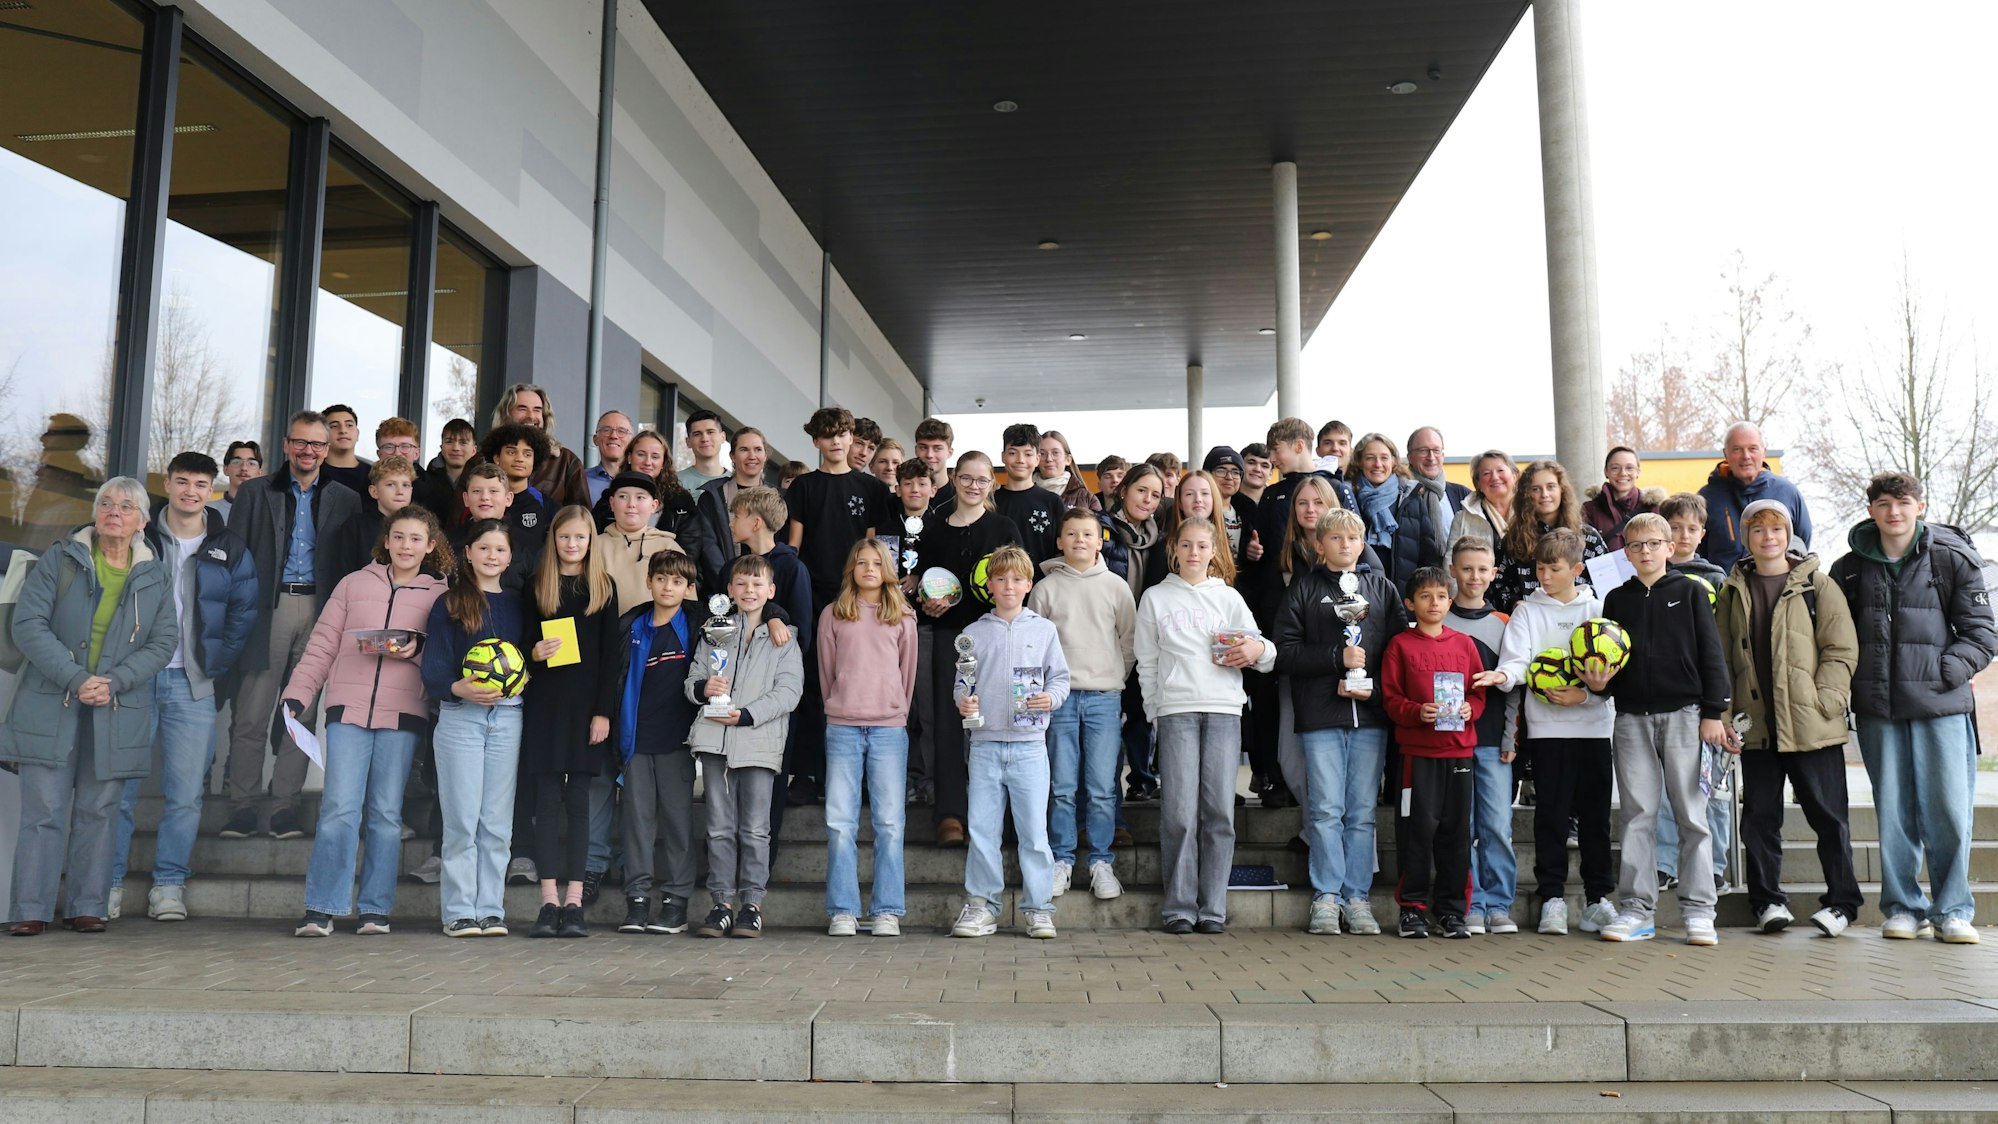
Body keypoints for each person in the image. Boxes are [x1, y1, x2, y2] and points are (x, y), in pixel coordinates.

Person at [4, 477, 179, 936]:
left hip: (117, 707)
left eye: (125, 506)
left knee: (99, 811)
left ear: (142, 521)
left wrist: (114, 681)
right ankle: (29, 909)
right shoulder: (59, 559)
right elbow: (28, 625)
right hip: (52, 700)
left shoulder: (156, 573)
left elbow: (163, 643)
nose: (113, 512)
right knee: (44, 810)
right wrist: (77, 678)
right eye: (105, 503)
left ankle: (88, 905)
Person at [1829, 471, 1995, 944]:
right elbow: (1835, 638)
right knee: (1894, 811)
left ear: (1920, 507)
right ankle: (1903, 907)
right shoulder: (1850, 568)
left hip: (1941, 707)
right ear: (1871, 511)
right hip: (1880, 709)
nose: (1894, 511)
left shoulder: (1952, 558)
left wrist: (1944, 672)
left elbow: (1983, 633)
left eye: (1903, 502)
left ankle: (1953, 910)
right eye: (1883, 503)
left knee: (1948, 810)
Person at [107, 453, 259, 923]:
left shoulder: (228, 545)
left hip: (192, 684)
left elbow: (243, 612)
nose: (191, 491)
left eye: (200, 484)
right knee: (117, 789)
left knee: (186, 794)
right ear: (167, 484)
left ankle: (168, 886)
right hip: (133, 679)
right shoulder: (139, 536)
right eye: (181, 482)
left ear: (212, 489)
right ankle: (106, 884)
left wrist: (214, 664)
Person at [286, 506, 451, 937]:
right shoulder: (353, 584)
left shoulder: (440, 593)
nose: (406, 546)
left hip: (403, 713)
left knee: (385, 814)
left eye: (416, 539)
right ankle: (321, 907)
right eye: (399, 537)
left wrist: (412, 648)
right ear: (386, 541)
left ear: (430, 546)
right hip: (347, 709)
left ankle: (375, 909)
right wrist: (297, 694)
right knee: (338, 809)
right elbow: (321, 645)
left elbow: (445, 654)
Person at [1716, 499, 1862, 937]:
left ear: (1789, 534)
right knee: (1760, 818)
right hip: (1756, 727)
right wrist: (1724, 715)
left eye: (1776, 529)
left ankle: (1842, 903)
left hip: (1812, 725)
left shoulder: (1818, 585)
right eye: (1758, 530)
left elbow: (1841, 648)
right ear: (1746, 537)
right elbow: (1720, 661)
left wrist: (1828, 699)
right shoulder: (1731, 591)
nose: (1768, 537)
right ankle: (1767, 902)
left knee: (1829, 817)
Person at [1586, 512, 1731, 946]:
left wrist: (1713, 713)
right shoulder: (1616, 599)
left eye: (1653, 544)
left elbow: (1712, 656)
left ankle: (1700, 912)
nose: (1645, 552)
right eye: (1635, 546)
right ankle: (1636, 911)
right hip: (1631, 719)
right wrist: (1598, 686)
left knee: (1691, 815)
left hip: (1688, 717)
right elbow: (1608, 666)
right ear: (1625, 553)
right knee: (1636, 816)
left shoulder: (1690, 592)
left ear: (1671, 548)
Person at [223, 410, 363, 841]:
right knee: (251, 712)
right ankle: (242, 805)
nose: (309, 451)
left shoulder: (345, 498)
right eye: (300, 442)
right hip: (269, 607)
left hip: (321, 612)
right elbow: (235, 556)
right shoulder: (255, 492)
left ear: (327, 449)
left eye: (317, 444)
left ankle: (284, 804)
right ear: (286, 445)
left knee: (300, 715)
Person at [1275, 508, 1407, 937]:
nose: (1345, 545)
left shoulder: (1381, 587)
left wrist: (1379, 691)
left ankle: (1357, 897)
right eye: (1335, 539)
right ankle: (1327, 897)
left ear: (1363, 541)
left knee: (1363, 812)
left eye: (1353, 538)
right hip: (1320, 716)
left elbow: (1399, 651)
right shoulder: (1305, 587)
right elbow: (1284, 650)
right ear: (1319, 545)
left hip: (1370, 715)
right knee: (1327, 809)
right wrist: (1337, 658)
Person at [1137, 517, 1272, 935]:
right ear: (1174, 549)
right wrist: (1153, 710)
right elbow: (1147, 662)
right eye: (1186, 545)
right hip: (1176, 709)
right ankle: (1179, 907)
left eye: (1202, 545)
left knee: (1218, 812)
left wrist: (1255, 649)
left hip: (1224, 710)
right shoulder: (1156, 598)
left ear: (1214, 551)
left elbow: (1263, 653)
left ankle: (1212, 909)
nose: (1194, 553)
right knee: (1178, 812)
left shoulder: (1228, 598)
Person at [1492, 528, 1618, 936]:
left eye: (1554, 568)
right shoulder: (1528, 611)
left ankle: (1599, 899)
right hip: (1546, 732)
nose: (1544, 576)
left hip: (1595, 728)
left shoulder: (1598, 610)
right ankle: (1552, 899)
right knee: (1550, 816)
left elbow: (1613, 673)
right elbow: (1517, 661)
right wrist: (1502, 675)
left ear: (1577, 569)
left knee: (1596, 819)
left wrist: (1585, 697)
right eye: (1539, 568)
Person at [950, 544, 1070, 940]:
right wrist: (963, 701)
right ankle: (982, 906)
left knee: (1034, 832)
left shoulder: (1044, 629)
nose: (1008, 585)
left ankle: (1038, 909)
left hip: (1030, 746)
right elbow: (962, 683)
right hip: (983, 745)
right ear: (989, 584)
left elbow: (1060, 679)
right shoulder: (973, 633)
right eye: (1000, 579)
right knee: (982, 830)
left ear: (1029, 584)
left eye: (1016, 579)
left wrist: (1049, 699)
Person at [422, 519, 529, 937]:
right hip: (460, 718)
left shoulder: (520, 604)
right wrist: (456, 687)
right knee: (463, 820)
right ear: (468, 553)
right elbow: (433, 667)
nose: (491, 556)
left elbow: (526, 661)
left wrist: (529, 667)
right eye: (483, 548)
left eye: (499, 550)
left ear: (509, 557)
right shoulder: (449, 602)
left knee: (497, 822)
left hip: (508, 716)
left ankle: (491, 909)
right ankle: (458, 911)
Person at [907, 452, 1021, 846]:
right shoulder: (934, 529)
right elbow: (926, 584)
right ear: (954, 479)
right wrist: (930, 602)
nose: (974, 486)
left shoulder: (1004, 527)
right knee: (947, 723)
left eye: (983, 480)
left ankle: (996, 815)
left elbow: (1020, 581)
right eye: (967, 478)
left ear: (992, 483)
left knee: (995, 723)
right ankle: (950, 814)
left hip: (994, 637)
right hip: (947, 637)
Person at [689, 554, 805, 939]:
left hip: (758, 741)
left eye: (757, 585)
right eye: (741, 584)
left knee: (755, 829)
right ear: (729, 591)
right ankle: (721, 904)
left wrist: (748, 715)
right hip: (714, 740)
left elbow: (790, 691)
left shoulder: (783, 638)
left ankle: (751, 905)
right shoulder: (713, 630)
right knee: (719, 828)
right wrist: (704, 690)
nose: (749, 591)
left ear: (770, 591)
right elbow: (694, 676)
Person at [521, 505, 622, 939]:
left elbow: (610, 659)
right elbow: (522, 643)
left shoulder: (602, 587)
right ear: (554, 539)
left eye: (580, 537)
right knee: (546, 802)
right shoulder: (536, 586)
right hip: (545, 706)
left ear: (590, 541)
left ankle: (575, 902)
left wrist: (603, 713)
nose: (572, 544)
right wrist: (533, 655)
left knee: (579, 803)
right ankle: (548, 902)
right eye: (565, 537)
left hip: (586, 710)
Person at [786, 406, 895, 805]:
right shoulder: (802, 487)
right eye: (828, 435)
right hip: (812, 596)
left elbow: (871, 550)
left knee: (857, 678)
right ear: (816, 441)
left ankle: (861, 776)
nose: (836, 441)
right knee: (813, 682)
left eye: (843, 434)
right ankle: (808, 772)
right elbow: (794, 546)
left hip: (856, 597)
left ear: (852, 439)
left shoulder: (872, 490)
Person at [1028, 507, 1137, 902]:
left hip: (1104, 697)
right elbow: (1034, 644)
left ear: (1100, 541)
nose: (1079, 541)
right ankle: (1061, 859)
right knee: (1062, 785)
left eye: (1088, 534)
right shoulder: (1045, 589)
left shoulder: (1116, 587)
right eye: (1071, 534)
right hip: (1058, 700)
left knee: (1102, 785)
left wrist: (1113, 677)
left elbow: (1129, 641)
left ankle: (1101, 862)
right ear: (1059, 541)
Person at [1381, 565, 1488, 939]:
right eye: (1425, 596)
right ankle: (1411, 909)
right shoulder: (1400, 646)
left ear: (1450, 600)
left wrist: (1469, 709)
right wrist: (1416, 711)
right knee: (1416, 833)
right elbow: (1391, 699)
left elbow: (1478, 694)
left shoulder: (1464, 645)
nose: (1434, 602)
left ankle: (1452, 912)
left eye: (1441, 596)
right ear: (1410, 603)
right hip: (1417, 755)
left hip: (1458, 754)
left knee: (1456, 835)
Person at [818, 538, 917, 937]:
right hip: (842, 726)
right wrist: (839, 703)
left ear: (888, 570)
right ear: (852, 569)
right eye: (862, 562)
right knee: (840, 822)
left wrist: (894, 709)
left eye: (878, 563)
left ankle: (887, 910)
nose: (870, 569)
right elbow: (826, 671)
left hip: (889, 728)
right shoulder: (834, 614)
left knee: (890, 823)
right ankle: (843, 909)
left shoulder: (903, 616)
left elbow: (907, 675)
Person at [614, 550, 705, 936]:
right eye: (662, 578)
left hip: (678, 742)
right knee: (636, 823)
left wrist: (776, 615)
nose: (669, 587)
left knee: (678, 823)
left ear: (689, 588)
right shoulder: (629, 624)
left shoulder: (700, 623)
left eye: (678, 581)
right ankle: (637, 899)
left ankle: (675, 902)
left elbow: (756, 607)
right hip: (636, 740)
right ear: (649, 581)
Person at [1655, 491, 1732, 894]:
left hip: (1706, 704)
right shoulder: (1648, 577)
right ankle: (1667, 862)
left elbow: (1723, 645)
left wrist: (1721, 705)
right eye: (1675, 528)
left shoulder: (1717, 579)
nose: (1683, 535)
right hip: (1662, 700)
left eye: (1691, 528)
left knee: (1710, 788)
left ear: (1702, 534)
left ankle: (1714, 866)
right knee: (1668, 788)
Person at [1445, 537, 1518, 935]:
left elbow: (1513, 691)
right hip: (1451, 743)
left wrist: (1510, 740)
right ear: (1453, 570)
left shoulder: (1505, 624)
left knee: (1495, 825)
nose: (1474, 577)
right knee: (1461, 825)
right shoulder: (1438, 619)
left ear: (1493, 574)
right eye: (1466, 568)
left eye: (1482, 570)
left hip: (1492, 743)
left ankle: (1499, 903)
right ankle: (1469, 902)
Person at [1106, 463, 1169, 801]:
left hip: (1143, 636)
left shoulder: (1158, 536)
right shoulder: (1101, 529)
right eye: (1141, 490)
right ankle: (1107, 788)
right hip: (1107, 638)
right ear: (1124, 489)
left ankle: (1142, 781)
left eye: (1155, 495)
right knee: (1108, 718)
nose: (1147, 499)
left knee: (1142, 711)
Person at [1492, 460, 1607, 613]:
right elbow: (1498, 586)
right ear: (1526, 495)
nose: (1544, 494)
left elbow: (1606, 582)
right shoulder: (1513, 540)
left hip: (1581, 622)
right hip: (1532, 624)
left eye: (1551, 487)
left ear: (1562, 490)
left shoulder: (1589, 538)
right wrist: (1513, 604)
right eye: (1536, 489)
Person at [1698, 421, 1814, 573]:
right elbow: (1698, 552)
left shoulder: (1787, 492)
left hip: (1779, 590)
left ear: (1764, 452)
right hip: (1726, 592)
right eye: (1737, 449)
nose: (1746, 456)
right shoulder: (1707, 499)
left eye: (1753, 448)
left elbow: (1801, 542)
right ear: (1725, 454)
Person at [591, 429, 709, 567]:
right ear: (629, 457)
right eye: (641, 454)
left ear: (664, 462)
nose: (647, 462)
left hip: (666, 577)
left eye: (655, 456)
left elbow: (690, 550)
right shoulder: (609, 498)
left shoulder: (680, 500)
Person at [694, 425, 773, 591]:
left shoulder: (778, 497)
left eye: (758, 449)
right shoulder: (712, 497)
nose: (752, 456)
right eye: (744, 449)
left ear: (765, 455)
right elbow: (709, 548)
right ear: (732, 456)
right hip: (725, 589)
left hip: (769, 587)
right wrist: (732, 586)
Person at [1393, 427, 1471, 593]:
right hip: (1415, 590)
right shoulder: (1400, 495)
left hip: (1458, 589)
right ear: (1409, 457)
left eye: (1436, 450)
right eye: (1423, 451)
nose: (1431, 457)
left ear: (1443, 455)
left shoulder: (1463, 496)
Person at [489, 384, 588, 510]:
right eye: (522, 408)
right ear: (506, 414)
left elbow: (582, 516)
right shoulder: (481, 460)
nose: (531, 416)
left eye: (537, 410)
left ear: (545, 417)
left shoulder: (566, 461)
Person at [596, 471, 682, 615]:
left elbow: (686, 601)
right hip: (605, 632)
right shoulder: (594, 546)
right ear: (612, 503)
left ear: (654, 505)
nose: (631, 504)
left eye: (640, 498)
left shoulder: (669, 548)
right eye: (623, 497)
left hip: (656, 633)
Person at [324, 455, 417, 582]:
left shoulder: (420, 528)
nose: (400, 491)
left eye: (406, 485)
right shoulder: (356, 526)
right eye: (391, 484)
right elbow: (343, 572)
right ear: (374, 491)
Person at [1347, 432, 1416, 584]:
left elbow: (1427, 551)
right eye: (1370, 458)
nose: (1378, 464)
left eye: (1384, 458)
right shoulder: (1347, 498)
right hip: (1359, 588)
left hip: (1405, 590)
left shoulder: (1411, 497)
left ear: (1393, 461)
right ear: (1359, 461)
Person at [479, 424, 553, 561]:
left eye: (527, 454)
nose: (520, 458)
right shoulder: (482, 502)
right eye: (511, 452)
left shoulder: (547, 507)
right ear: (496, 458)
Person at [996, 422, 1065, 566]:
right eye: (1013, 453)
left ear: (1037, 459)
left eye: (1028, 454)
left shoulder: (1052, 502)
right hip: (1001, 586)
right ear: (1003, 457)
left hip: (1043, 585)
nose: (1020, 460)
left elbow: (1061, 551)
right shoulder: (991, 501)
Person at [1166, 469, 1240, 587]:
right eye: (1189, 494)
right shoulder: (1165, 547)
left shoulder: (1223, 542)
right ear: (1179, 501)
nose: (1198, 499)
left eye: (1205, 493)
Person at [1583, 446, 1658, 552]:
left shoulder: (1653, 508)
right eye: (1615, 468)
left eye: (1629, 468)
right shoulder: (1590, 509)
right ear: (1606, 472)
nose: (1623, 473)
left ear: (1638, 472)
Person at [1202, 446, 1260, 568]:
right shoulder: (1197, 509)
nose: (1229, 477)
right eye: (1221, 470)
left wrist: (1250, 551)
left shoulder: (1249, 511)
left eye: (1235, 472)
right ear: (1207, 474)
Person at [1447, 450, 1517, 549]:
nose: (1495, 477)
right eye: (1486, 473)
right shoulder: (1463, 519)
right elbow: (1451, 560)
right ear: (1478, 483)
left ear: (1514, 476)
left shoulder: (1532, 511)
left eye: (1500, 470)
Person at [414, 419, 478, 525]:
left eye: (463, 442)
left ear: (474, 450)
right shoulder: (426, 481)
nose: (456, 448)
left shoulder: (484, 482)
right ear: (441, 447)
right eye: (449, 441)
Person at [1036, 429, 1099, 512]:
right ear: (1036, 459)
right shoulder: (1024, 494)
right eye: (1043, 453)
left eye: (1055, 453)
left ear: (1068, 460)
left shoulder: (1087, 498)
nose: (1049, 459)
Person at [319, 403, 372, 496]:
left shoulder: (373, 475)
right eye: (334, 426)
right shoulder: (313, 473)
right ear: (322, 435)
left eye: (349, 425)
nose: (343, 430)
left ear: (357, 433)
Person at [586, 410, 636, 504]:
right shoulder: (581, 480)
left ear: (632, 441)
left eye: (621, 431)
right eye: (606, 430)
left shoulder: (640, 480)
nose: (613, 436)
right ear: (595, 440)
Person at [912, 417, 957, 512]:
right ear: (916, 450)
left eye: (937, 448)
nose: (929, 455)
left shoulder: (960, 496)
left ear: (950, 452)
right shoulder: (906, 494)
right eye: (923, 448)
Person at [679, 409, 730, 492]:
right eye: (697, 434)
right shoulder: (675, 483)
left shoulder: (736, 482)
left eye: (710, 432)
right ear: (688, 442)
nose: (705, 439)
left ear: (723, 437)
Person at [214, 440, 263, 521]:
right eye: (236, 462)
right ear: (225, 469)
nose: (244, 468)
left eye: (251, 463)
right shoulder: (207, 511)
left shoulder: (270, 512)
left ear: (259, 472)